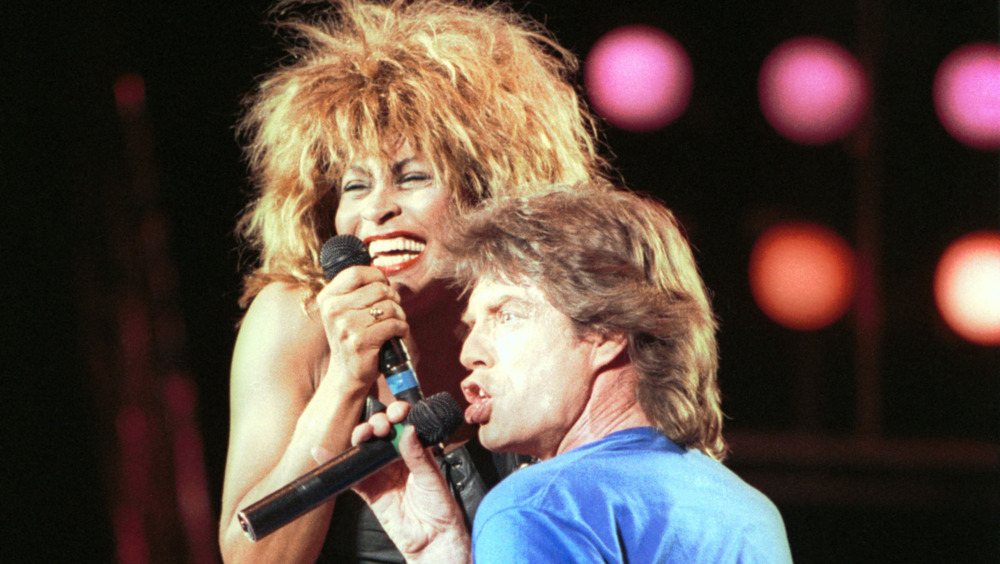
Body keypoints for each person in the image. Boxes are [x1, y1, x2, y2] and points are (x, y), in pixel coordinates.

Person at [217, 1, 609, 562]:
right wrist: (345, 382)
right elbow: (251, 554)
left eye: (414, 177)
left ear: (489, 190)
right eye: (354, 186)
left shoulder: (552, 316)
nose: (375, 210)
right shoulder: (293, 321)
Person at [349, 187, 794, 563]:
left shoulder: (536, 507)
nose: (470, 353)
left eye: (506, 315)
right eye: (471, 325)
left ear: (606, 331)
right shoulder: (749, 511)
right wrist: (445, 551)